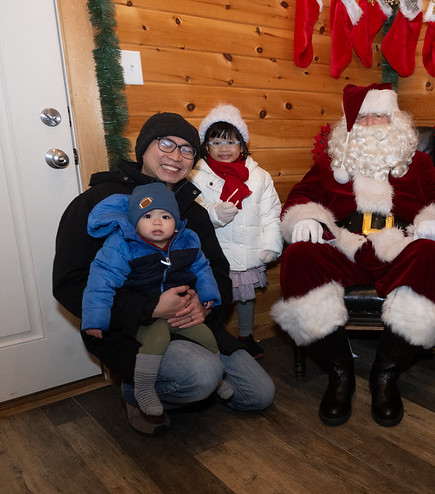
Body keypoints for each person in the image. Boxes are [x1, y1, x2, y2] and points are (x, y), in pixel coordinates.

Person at [53, 112, 275, 436]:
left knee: (259, 394)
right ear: (143, 147)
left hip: (194, 324)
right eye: (167, 143)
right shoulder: (97, 203)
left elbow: (218, 271)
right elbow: (69, 284)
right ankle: (137, 391)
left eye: (187, 150)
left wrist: (205, 303)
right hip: (131, 330)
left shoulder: (191, 211)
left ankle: (186, 386)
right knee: (202, 375)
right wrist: (148, 307)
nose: (176, 156)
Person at [271, 83, 435, 427]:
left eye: (380, 115)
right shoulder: (331, 163)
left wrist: (432, 219)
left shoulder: (416, 162)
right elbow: (300, 196)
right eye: (363, 117)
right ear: (349, 124)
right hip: (345, 244)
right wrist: (306, 217)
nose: (371, 124)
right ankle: (339, 373)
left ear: (396, 120)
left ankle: (384, 374)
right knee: (299, 256)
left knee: (429, 254)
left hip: (399, 243)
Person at [81, 182, 233, 416]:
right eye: (148, 215)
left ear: (175, 224)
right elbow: (100, 284)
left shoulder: (187, 240)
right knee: (158, 337)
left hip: (179, 311)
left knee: (206, 335)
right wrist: (95, 320)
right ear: (134, 221)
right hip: (144, 315)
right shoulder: (122, 246)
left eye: (165, 216)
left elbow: (203, 269)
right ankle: (142, 388)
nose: (157, 222)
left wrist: (208, 296)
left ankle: (218, 380)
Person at [190, 104, 283, 359]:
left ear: (242, 146)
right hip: (215, 252)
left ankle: (246, 336)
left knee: (245, 297)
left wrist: (273, 244)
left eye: (231, 142)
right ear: (206, 146)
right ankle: (215, 337)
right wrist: (215, 214)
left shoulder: (259, 176)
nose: (224, 149)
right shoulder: (196, 175)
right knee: (217, 296)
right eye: (216, 142)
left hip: (248, 249)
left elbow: (271, 213)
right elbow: (193, 210)